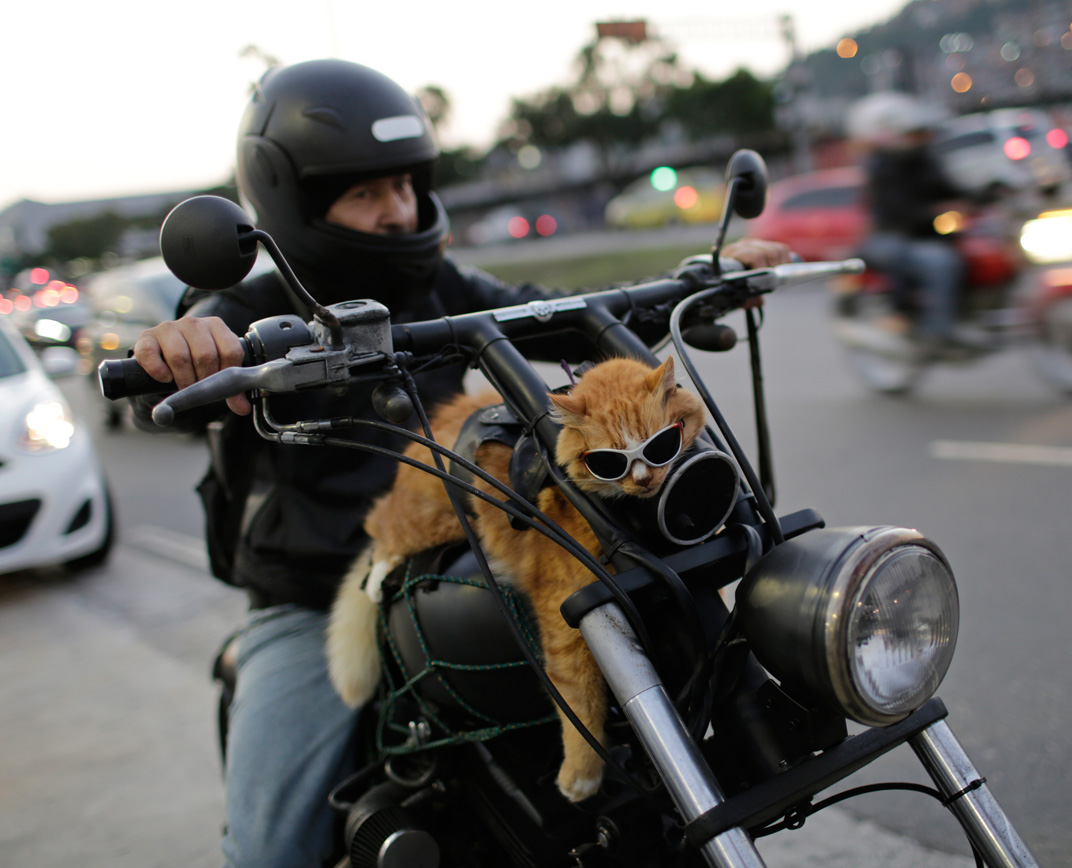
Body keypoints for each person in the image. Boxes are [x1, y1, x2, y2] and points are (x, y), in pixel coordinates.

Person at [129, 58, 789, 868]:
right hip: (311, 594)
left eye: (403, 185)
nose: (396, 209)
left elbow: (556, 315)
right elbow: (173, 367)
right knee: (268, 851)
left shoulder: (439, 283)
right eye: (365, 193)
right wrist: (181, 345)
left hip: (458, 554)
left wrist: (703, 283)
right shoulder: (249, 311)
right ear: (295, 202)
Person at [851, 93, 982, 356]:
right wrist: (935, 214)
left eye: (922, 133)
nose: (921, 138)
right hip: (892, 237)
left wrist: (984, 195)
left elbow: (951, 189)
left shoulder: (925, 161)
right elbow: (898, 211)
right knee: (941, 262)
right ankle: (935, 330)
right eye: (914, 133)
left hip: (926, 235)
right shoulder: (883, 167)